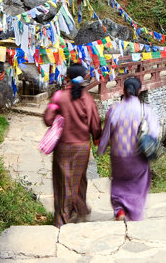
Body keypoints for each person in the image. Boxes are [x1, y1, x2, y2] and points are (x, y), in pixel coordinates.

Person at [43, 64, 101, 228]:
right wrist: (97, 141)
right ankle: (81, 209)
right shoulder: (88, 99)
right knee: (80, 178)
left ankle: (62, 219)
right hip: (82, 146)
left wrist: (56, 112)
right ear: (84, 77)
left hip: (64, 146)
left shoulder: (59, 96)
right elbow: (95, 124)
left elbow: (48, 119)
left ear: (67, 77)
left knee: (63, 180)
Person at [98, 77, 160, 221]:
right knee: (138, 183)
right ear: (139, 91)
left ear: (123, 90)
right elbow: (154, 133)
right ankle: (134, 214)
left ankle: (120, 210)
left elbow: (107, 132)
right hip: (137, 156)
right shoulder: (145, 110)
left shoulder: (115, 109)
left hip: (117, 156)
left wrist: (101, 149)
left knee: (119, 181)